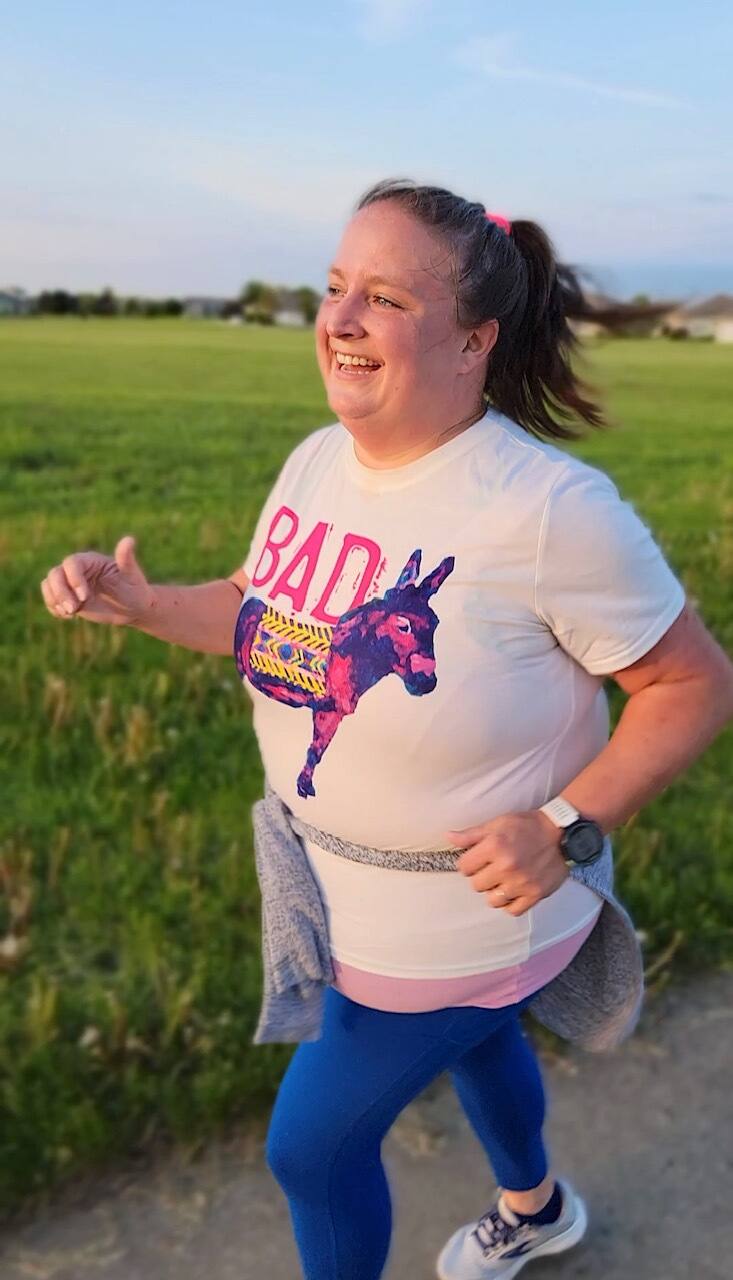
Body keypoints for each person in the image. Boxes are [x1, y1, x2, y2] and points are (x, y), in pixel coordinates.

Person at [40, 178, 733, 1280]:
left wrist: (567, 821)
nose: (340, 318)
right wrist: (148, 602)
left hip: (460, 917)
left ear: (474, 339)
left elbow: (693, 683)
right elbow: (265, 615)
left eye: (386, 299)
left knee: (310, 1149)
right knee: (487, 1040)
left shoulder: (549, 509)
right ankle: (537, 1205)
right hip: (337, 883)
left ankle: (531, 1206)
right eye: (333, 287)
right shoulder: (318, 460)